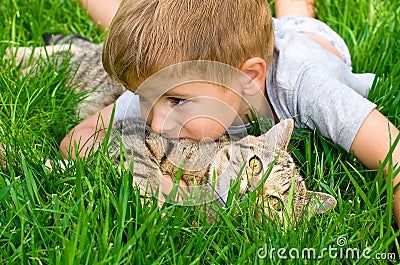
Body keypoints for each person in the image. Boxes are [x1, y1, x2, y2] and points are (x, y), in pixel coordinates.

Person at [61, 0, 400, 222]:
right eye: (142, 95)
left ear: (248, 78)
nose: (157, 123)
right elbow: (77, 140)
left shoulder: (305, 86)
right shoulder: (162, 85)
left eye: (177, 101)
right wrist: (154, 181)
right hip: (240, 48)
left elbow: (393, 155)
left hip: (312, 44)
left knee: (297, 18)